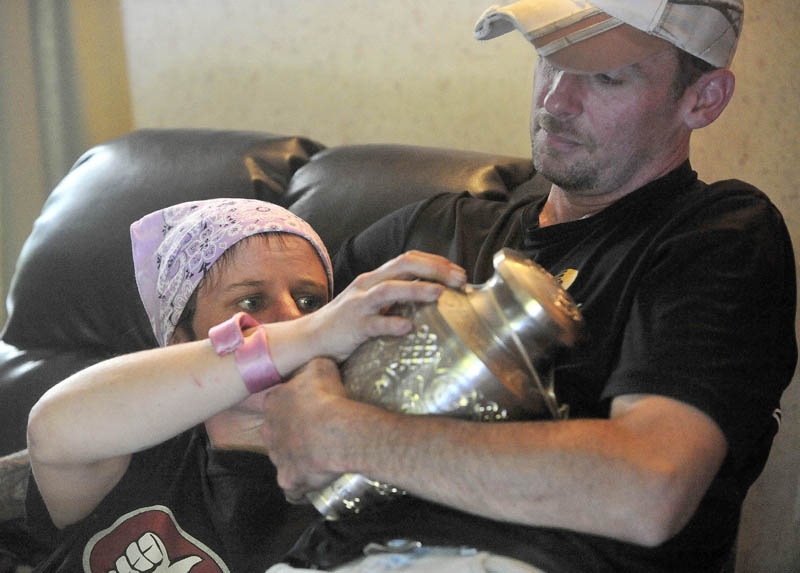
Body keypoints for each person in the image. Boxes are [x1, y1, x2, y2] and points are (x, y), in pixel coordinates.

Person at [258, 2, 797, 572]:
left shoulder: (717, 233)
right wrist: (309, 375)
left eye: (606, 78)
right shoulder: (434, 229)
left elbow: (645, 490)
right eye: (548, 60)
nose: (555, 102)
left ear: (702, 99)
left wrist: (345, 436)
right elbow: (276, 366)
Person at [25, 198, 466, 572]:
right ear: (179, 341)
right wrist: (308, 336)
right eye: (251, 302)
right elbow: (52, 428)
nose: (292, 319)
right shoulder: (135, 453)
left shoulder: (361, 477)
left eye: (311, 302)